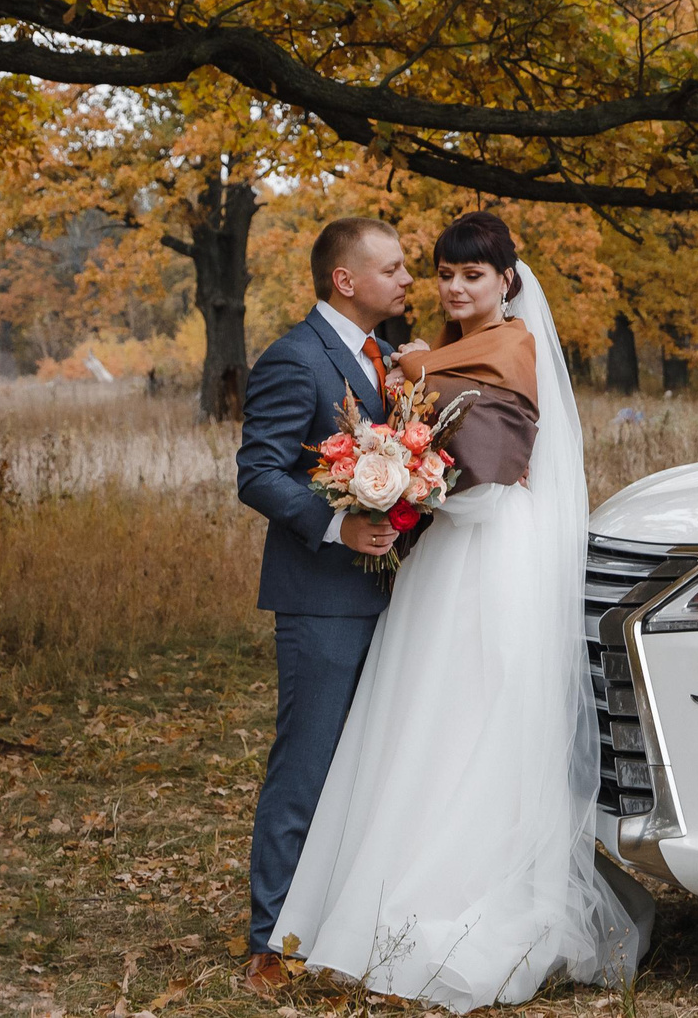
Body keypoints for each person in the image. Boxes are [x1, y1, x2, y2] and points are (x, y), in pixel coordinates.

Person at [272, 211, 648, 1009]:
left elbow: (494, 462)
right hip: (440, 553)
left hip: (489, 548)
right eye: (443, 272)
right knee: (422, 715)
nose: (450, 286)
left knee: (478, 710)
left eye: (471, 274)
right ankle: (384, 878)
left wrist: (415, 468)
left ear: (507, 280)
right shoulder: (422, 355)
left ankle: (467, 890)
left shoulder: (509, 344)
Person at [234, 216, 412, 994]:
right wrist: (339, 523)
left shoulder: (386, 363)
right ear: (347, 279)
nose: (409, 280)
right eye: (395, 268)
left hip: (392, 596)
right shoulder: (294, 357)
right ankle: (267, 938)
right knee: (305, 765)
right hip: (321, 598)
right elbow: (258, 472)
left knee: (369, 764)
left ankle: (339, 915)